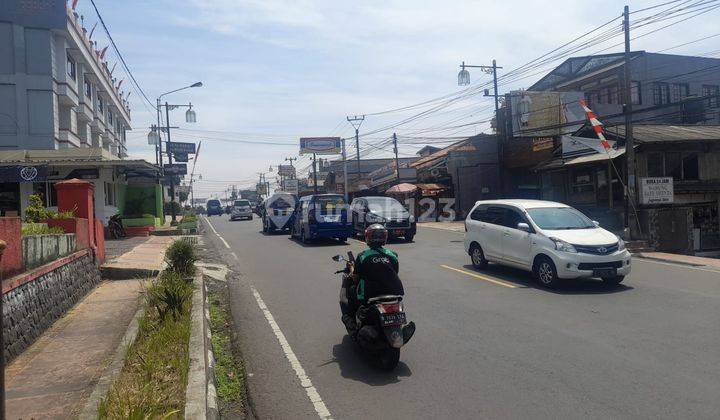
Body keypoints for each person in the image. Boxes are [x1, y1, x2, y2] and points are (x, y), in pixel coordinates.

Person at [340, 224, 408, 337]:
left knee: (351, 290)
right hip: (394, 293)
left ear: (368, 238)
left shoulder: (363, 256)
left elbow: (355, 277)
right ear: (385, 238)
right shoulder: (393, 256)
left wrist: (352, 267)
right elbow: (395, 272)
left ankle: (352, 322)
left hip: (371, 294)